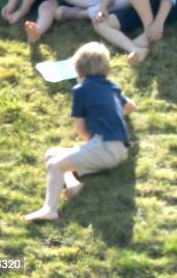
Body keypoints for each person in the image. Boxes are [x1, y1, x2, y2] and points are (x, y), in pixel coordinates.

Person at [24, 42, 136, 222]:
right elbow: (131, 107)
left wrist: (90, 144)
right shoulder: (112, 87)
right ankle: (73, 185)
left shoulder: (81, 90)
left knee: (55, 165)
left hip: (104, 147)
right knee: (52, 154)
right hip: (121, 148)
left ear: (78, 69)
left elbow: (81, 129)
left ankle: (50, 209)